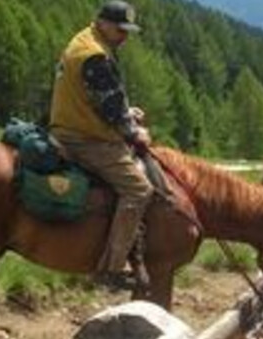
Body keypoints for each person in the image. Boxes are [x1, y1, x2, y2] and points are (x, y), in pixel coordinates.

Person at [49, 0, 154, 290]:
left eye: (128, 30)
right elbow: (111, 111)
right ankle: (111, 268)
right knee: (139, 190)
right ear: (103, 23)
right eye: (120, 29)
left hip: (70, 125)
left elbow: (98, 97)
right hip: (84, 138)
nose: (125, 36)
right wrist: (135, 132)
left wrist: (125, 112)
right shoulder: (95, 55)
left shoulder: (84, 40)